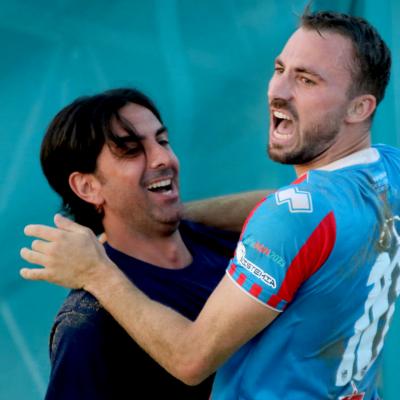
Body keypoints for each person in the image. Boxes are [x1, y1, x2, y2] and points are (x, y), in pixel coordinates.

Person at [21, 10, 400, 400]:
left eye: (306, 80)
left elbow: (190, 358)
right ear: (86, 186)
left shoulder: (275, 228)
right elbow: (289, 210)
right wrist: (161, 215)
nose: (278, 90)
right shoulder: (388, 171)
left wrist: (99, 270)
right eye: (279, 69)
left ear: (360, 108)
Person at [29, 87, 266, 399]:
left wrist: (164, 212)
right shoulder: (86, 325)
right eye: (131, 150)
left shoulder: (223, 240)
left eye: (163, 141)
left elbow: (292, 209)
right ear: (87, 187)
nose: (163, 158)